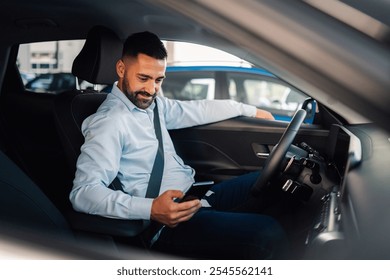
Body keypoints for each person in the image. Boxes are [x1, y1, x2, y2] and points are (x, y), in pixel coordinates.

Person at [70, 31, 287, 259]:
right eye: (143, 78)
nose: (151, 89)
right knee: (267, 233)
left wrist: (250, 110)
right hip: (165, 224)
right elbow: (83, 193)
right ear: (121, 70)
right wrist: (152, 209)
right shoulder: (110, 122)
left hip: (194, 197)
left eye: (158, 80)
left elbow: (198, 109)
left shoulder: (154, 107)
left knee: (278, 181)